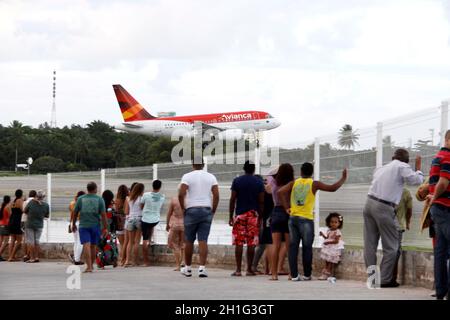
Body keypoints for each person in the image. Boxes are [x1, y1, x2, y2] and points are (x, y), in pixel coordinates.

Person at [363, 148, 423, 288]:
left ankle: (372, 279)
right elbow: (415, 180)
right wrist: (418, 169)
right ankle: (384, 280)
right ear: (406, 160)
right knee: (392, 246)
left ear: (393, 157)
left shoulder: (381, 168)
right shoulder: (402, 166)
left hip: (369, 203)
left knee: (370, 245)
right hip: (384, 207)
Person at [279, 162, 347, 281]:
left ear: (301, 171)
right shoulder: (314, 184)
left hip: (293, 218)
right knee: (307, 247)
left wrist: (286, 208)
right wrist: (343, 178)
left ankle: (294, 275)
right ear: (312, 173)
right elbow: (332, 188)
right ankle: (306, 274)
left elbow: (280, 192)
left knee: (293, 246)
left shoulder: (294, 182)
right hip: (306, 219)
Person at [179, 162, 219, 278]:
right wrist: (213, 210)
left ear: (193, 164)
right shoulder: (211, 177)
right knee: (203, 240)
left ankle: (188, 268)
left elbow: (181, 194)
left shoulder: (187, 176)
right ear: (203, 164)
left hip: (191, 210)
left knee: (189, 241)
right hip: (206, 209)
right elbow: (216, 195)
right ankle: (202, 268)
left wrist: (183, 208)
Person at [229, 161, 264, 276]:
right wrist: (261, 217)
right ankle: (249, 269)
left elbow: (233, 199)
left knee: (239, 242)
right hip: (253, 215)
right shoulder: (258, 182)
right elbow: (261, 201)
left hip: (240, 214)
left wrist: (230, 216)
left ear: (244, 169)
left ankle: (238, 270)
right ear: (254, 170)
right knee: (251, 243)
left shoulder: (237, 181)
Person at [428, 130, 450, 300]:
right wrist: (435, 197)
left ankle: (441, 291)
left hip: (437, 209)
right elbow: (443, 183)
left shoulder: (438, 156)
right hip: (445, 207)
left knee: (440, 252)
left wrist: (432, 198)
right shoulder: (448, 157)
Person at [72, 182, 108, 273]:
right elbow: (103, 215)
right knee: (93, 246)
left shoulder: (80, 199)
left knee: (86, 245)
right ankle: (91, 265)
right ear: (95, 189)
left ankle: (89, 267)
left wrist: (73, 224)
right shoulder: (100, 199)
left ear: (87, 189)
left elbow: (75, 212)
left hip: (83, 226)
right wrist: (105, 227)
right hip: (95, 226)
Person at [267, 164, 293, 280]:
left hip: (276, 212)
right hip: (288, 212)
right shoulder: (292, 184)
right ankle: (292, 274)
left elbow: (269, 175)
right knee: (289, 245)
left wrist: (277, 171)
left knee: (275, 245)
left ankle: (274, 274)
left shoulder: (273, 184)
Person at [251, 176, 274, 275]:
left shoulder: (258, 190)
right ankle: (253, 266)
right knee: (262, 244)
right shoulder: (266, 190)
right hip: (264, 219)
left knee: (261, 244)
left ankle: (254, 266)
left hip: (261, 218)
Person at [140, 180, 165, 266]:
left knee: (144, 239)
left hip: (145, 218)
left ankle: (146, 261)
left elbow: (141, 206)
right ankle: (150, 240)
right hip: (155, 219)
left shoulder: (146, 195)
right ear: (160, 187)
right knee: (151, 227)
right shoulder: (162, 196)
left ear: (152, 185)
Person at [392, 188, 413, 283]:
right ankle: (392, 278)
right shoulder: (405, 192)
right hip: (397, 226)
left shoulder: (385, 189)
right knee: (395, 251)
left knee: (389, 250)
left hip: (385, 225)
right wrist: (408, 222)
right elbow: (409, 209)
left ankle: (388, 277)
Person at [23, 190, 49, 263]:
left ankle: (32, 258)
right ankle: (37, 257)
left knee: (31, 242)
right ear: (43, 197)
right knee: (37, 241)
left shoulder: (31, 203)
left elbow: (25, 211)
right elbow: (47, 215)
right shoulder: (46, 205)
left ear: (36, 196)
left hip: (30, 224)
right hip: (39, 225)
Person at [318, 212, 344, 280]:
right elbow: (327, 238)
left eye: (336, 222)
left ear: (339, 223)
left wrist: (328, 242)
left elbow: (336, 241)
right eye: (332, 222)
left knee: (330, 261)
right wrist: (323, 235)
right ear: (329, 222)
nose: (333, 224)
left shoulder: (337, 232)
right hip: (328, 247)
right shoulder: (329, 230)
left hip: (333, 248)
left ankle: (328, 273)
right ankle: (327, 271)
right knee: (327, 260)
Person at [123, 183, 144, 267]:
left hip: (130, 220)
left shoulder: (128, 198)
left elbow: (126, 212)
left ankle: (127, 260)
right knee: (137, 242)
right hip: (139, 219)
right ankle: (135, 261)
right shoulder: (142, 199)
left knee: (130, 242)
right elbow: (143, 209)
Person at [166, 194, 185, 271]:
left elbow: (169, 213)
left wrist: (167, 224)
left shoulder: (174, 200)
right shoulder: (189, 200)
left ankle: (178, 265)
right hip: (185, 224)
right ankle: (183, 261)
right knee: (184, 244)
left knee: (175, 245)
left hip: (175, 225)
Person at [68, 191, 85, 265]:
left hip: (73, 223)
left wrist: (70, 223)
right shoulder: (82, 204)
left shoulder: (72, 203)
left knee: (76, 241)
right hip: (79, 223)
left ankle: (76, 258)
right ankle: (77, 259)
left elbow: (71, 215)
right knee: (80, 242)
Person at [8, 189, 24, 262]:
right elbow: (23, 210)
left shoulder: (12, 201)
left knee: (12, 240)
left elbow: (10, 211)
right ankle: (11, 257)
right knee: (19, 241)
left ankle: (10, 256)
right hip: (17, 221)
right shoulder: (19, 200)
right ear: (21, 194)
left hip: (11, 220)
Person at [114, 185, 128, 266]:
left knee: (122, 243)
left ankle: (122, 260)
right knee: (126, 242)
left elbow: (115, 210)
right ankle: (125, 259)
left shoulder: (117, 200)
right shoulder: (128, 199)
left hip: (119, 223)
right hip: (126, 221)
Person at [22, 190, 36, 262]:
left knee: (25, 239)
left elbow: (23, 211)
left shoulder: (25, 202)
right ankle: (29, 255)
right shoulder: (35, 202)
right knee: (32, 239)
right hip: (32, 221)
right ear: (35, 195)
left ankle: (25, 255)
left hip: (24, 221)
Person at [0, 195, 11, 261]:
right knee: (6, 242)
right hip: (6, 225)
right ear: (9, 200)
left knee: (1, 241)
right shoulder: (7, 207)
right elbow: (10, 215)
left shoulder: (1, 206)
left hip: (1, 224)